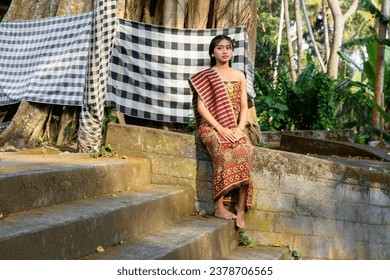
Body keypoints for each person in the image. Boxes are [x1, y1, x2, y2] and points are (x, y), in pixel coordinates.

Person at [188, 35, 253, 229]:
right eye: (219, 48)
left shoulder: (239, 75)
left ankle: (240, 208)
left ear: (232, 52)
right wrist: (220, 128)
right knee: (224, 152)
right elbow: (201, 108)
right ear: (212, 52)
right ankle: (218, 205)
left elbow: (243, 105)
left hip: (234, 127)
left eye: (228, 48)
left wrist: (240, 129)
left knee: (245, 150)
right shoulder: (206, 76)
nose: (225, 51)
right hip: (212, 128)